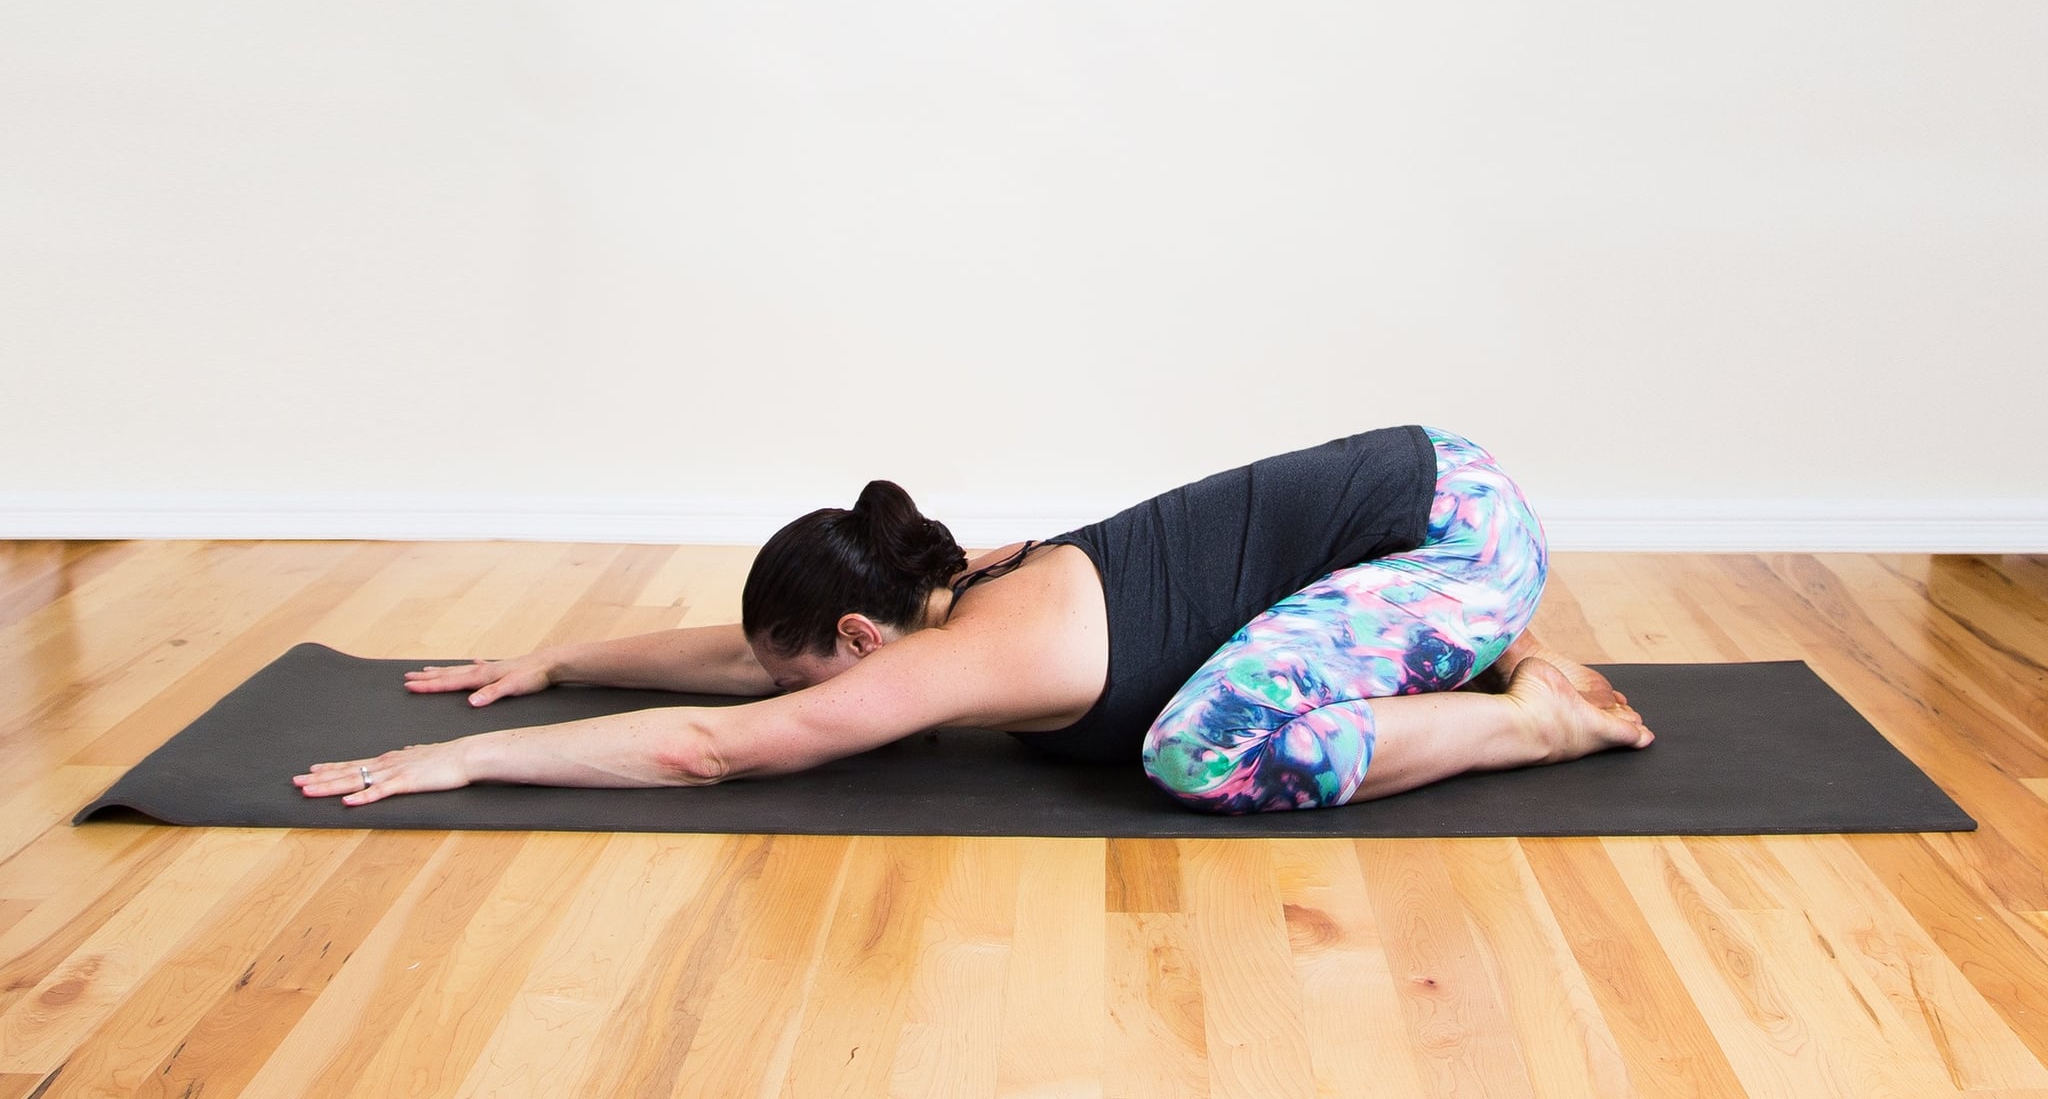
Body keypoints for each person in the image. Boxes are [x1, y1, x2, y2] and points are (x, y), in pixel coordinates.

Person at [293, 425, 1653, 811]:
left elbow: (712, 742)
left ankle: (1530, 721)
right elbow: (748, 667)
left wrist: (464, 760)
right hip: (1434, 497)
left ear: (870, 638)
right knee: (1210, 709)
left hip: (1455, 538)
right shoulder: (948, 578)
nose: (797, 692)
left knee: (1208, 754)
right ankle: (1482, 647)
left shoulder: (961, 652)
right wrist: (555, 663)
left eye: (817, 675)